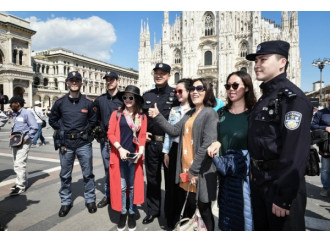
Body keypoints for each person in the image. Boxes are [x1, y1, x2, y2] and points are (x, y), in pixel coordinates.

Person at [245, 40, 313, 230]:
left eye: (263, 59)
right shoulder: (266, 97)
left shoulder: (292, 99)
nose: (257, 65)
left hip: (279, 186)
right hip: (260, 182)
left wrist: (284, 197)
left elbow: (295, 152)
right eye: (256, 60)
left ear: (282, 62)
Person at [148, 78, 218, 231]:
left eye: (199, 88)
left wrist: (193, 170)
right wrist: (158, 116)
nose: (195, 91)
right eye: (192, 88)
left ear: (207, 92)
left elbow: (207, 143)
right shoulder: (190, 113)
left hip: (199, 171)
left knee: (204, 209)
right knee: (191, 205)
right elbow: (174, 130)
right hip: (186, 170)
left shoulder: (209, 113)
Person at [207, 71, 257, 231]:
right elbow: (216, 137)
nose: (231, 89)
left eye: (235, 85)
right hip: (225, 172)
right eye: (228, 86)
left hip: (246, 176)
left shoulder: (254, 114)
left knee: (246, 217)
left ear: (247, 88)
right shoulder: (220, 113)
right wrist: (216, 143)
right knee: (227, 215)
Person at [49, 71, 98, 217]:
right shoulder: (60, 102)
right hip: (66, 144)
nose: (74, 83)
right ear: (67, 83)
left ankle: (90, 200)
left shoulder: (88, 103)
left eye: (77, 80)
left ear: (81, 84)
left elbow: (93, 120)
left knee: (88, 173)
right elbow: (52, 120)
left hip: (83, 143)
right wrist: (62, 130)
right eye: (72, 80)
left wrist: (85, 132)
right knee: (65, 175)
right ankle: (65, 201)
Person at [141, 63, 179, 224]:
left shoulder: (175, 95)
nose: (159, 75)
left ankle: (170, 214)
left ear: (169, 75)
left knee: (171, 182)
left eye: (163, 73)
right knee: (152, 180)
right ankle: (153, 210)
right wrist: (142, 133)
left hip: (169, 145)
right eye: (156, 73)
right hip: (151, 144)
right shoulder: (147, 95)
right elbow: (140, 117)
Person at [107, 85, 147, 231]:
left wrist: (141, 150)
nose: (128, 100)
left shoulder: (141, 116)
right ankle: (123, 212)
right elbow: (110, 133)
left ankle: (131, 212)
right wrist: (120, 148)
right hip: (120, 156)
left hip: (134, 157)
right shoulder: (117, 114)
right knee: (122, 187)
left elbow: (142, 136)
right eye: (125, 97)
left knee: (132, 186)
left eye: (131, 97)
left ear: (136, 99)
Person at [162, 78, 192, 229]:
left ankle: (184, 219)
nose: (177, 94)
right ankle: (170, 218)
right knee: (171, 185)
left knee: (184, 184)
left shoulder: (195, 110)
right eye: (176, 91)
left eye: (180, 91)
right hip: (174, 150)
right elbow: (168, 131)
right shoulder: (174, 110)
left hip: (188, 152)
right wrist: (166, 152)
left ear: (188, 91)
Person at [94, 72, 123, 208]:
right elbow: (95, 119)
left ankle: (122, 195)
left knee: (123, 169)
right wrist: (98, 131)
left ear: (117, 81)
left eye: (112, 79)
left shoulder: (124, 98)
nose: (109, 82)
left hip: (122, 141)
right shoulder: (100, 100)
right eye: (107, 80)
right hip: (106, 140)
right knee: (108, 169)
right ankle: (109, 195)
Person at [8, 96, 38, 195]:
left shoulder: (27, 113)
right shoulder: (15, 114)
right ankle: (21, 182)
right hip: (15, 141)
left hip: (24, 141)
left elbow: (34, 127)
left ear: (17, 103)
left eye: (12, 103)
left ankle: (20, 186)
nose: (10, 105)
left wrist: (27, 138)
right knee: (16, 163)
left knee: (19, 163)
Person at [311, 94, 330, 197]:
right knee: (326, 168)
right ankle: (326, 187)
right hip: (326, 144)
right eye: (329, 100)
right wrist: (325, 128)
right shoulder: (321, 113)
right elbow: (313, 125)